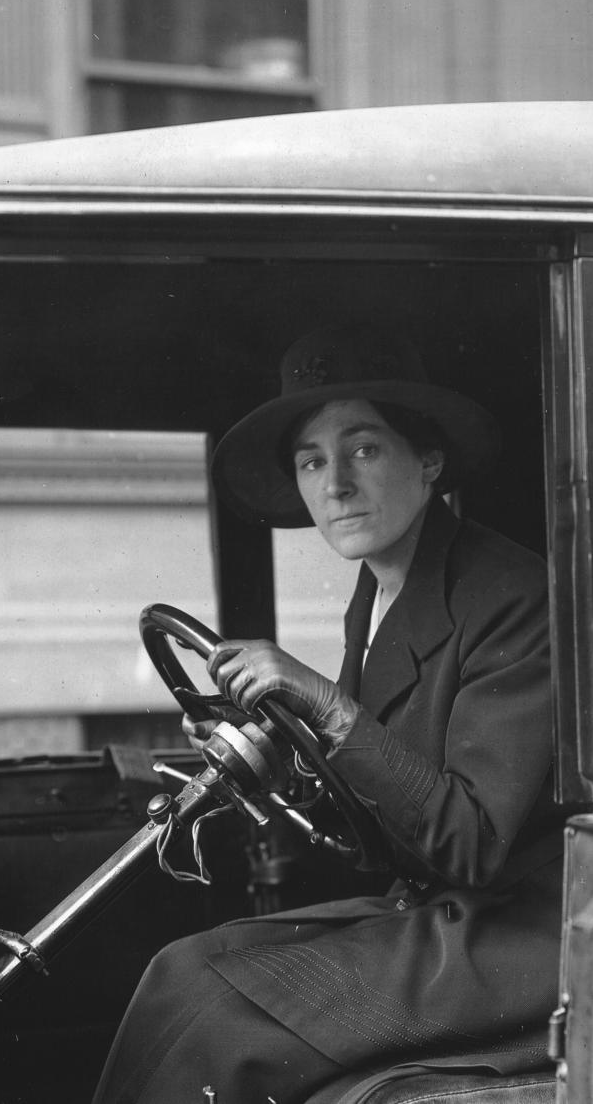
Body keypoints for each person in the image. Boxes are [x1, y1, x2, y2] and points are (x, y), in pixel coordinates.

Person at [92, 324, 566, 1104]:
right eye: (312, 461)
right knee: (177, 971)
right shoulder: (380, 591)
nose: (336, 483)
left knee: (218, 1019)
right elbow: (383, 788)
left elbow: (473, 841)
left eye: (365, 449)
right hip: (436, 913)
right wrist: (283, 754)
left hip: (511, 935)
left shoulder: (511, 593)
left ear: (430, 461)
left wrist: (326, 705)